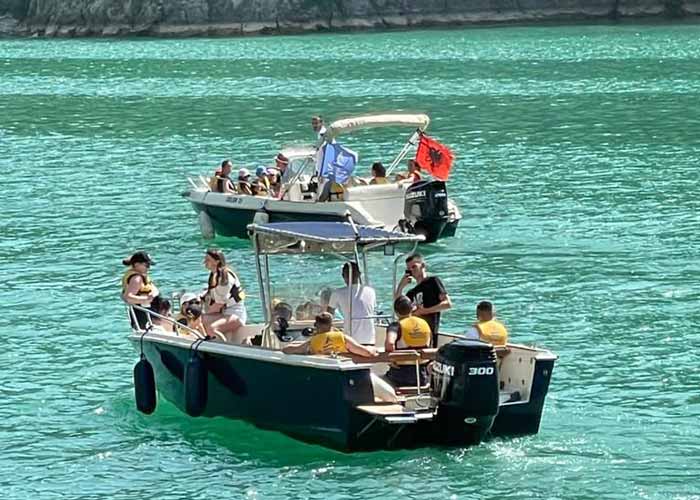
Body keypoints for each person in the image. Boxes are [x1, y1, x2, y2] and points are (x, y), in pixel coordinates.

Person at [395, 253, 451, 346]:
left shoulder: (433, 281)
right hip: (413, 334)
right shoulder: (411, 292)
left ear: (423, 266)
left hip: (429, 333)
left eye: (414, 267)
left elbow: (447, 304)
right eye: (409, 269)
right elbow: (398, 308)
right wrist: (400, 287)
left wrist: (425, 311)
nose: (412, 271)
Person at [384, 295, 432, 387]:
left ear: (396, 312)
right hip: (422, 375)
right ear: (411, 309)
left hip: (400, 375)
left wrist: (392, 360)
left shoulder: (396, 326)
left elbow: (390, 343)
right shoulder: (425, 324)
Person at [201, 248, 247, 341]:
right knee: (199, 320)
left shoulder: (225, 278)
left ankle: (222, 348)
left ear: (217, 261)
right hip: (224, 313)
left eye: (208, 260)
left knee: (212, 328)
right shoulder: (214, 275)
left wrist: (204, 312)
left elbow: (219, 305)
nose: (204, 262)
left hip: (235, 314)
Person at [283, 312, 377, 357]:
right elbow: (366, 352)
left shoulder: (312, 341)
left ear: (316, 325)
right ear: (331, 324)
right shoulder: (342, 338)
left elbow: (288, 350)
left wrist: (286, 347)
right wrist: (372, 349)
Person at [327, 262, 377, 345]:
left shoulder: (337, 293)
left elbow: (328, 316)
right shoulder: (371, 291)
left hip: (351, 341)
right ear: (359, 274)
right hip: (370, 339)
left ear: (343, 276)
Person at [121, 251, 159, 330]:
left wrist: (154, 293)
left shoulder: (141, 276)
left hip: (148, 311)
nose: (148, 268)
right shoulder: (136, 278)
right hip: (143, 313)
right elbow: (128, 297)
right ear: (137, 264)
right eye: (147, 265)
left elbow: (154, 288)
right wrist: (147, 299)